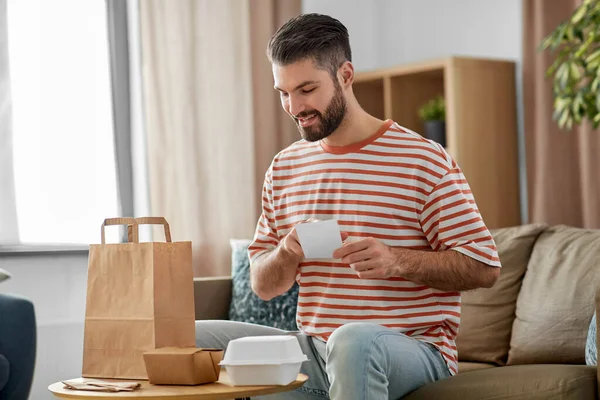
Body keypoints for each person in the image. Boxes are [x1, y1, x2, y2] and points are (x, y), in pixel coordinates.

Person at [195, 13, 501, 400]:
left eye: (307, 89)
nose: (294, 107)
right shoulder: (284, 167)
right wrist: (287, 251)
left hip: (411, 349)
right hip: (313, 349)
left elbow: (484, 266)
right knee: (188, 338)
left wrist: (397, 260)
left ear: (345, 75)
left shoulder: (421, 160)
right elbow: (263, 284)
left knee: (352, 341)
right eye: (283, 92)